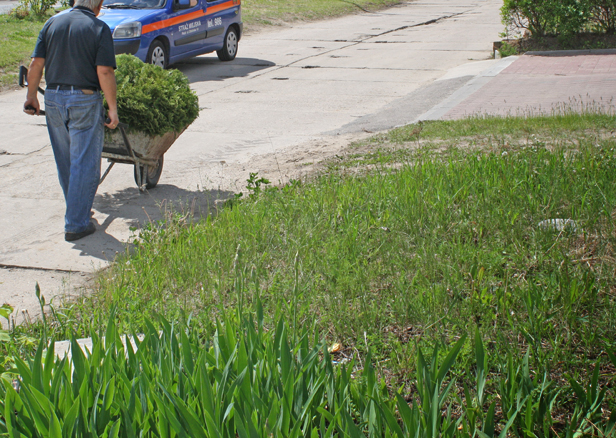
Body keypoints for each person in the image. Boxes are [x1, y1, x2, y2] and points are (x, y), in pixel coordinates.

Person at [23, 0, 120, 241]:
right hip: (84, 100)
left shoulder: (52, 22)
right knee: (84, 163)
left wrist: (32, 97)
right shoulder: (98, 28)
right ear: (97, 5)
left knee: (65, 161)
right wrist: (113, 108)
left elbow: (36, 64)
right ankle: (76, 224)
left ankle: (78, 212)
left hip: (54, 98)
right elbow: (105, 71)